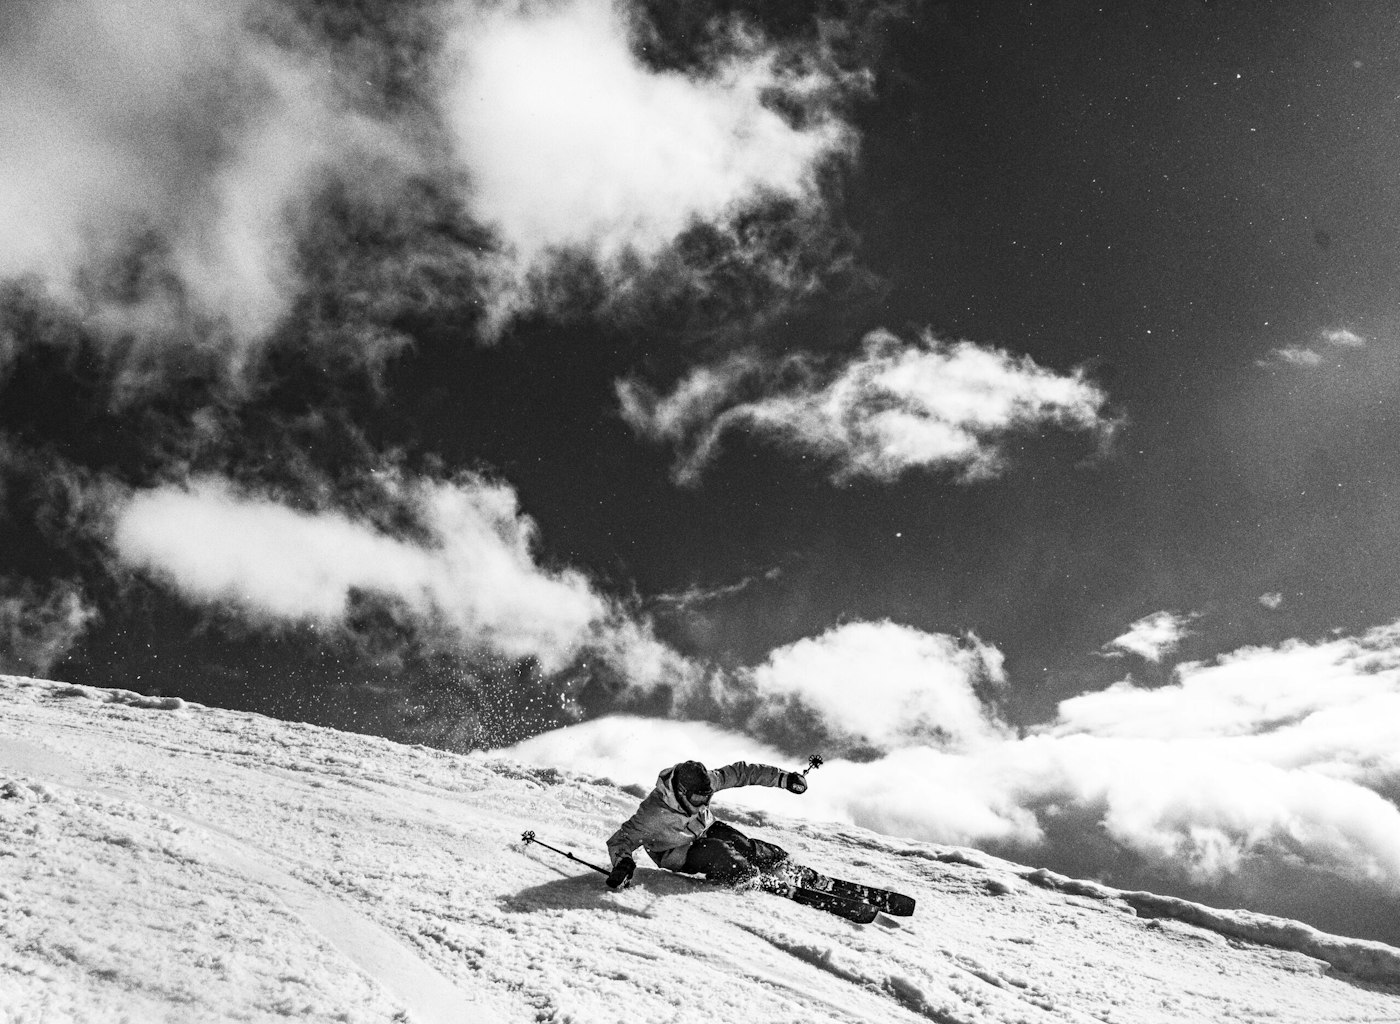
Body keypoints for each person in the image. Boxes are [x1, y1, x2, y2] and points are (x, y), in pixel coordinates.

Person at [604, 759, 808, 890]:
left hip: (705, 828)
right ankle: (751, 877)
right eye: (697, 799)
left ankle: (783, 863)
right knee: (718, 852)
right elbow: (621, 839)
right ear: (682, 792)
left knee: (742, 844)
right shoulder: (653, 812)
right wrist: (623, 863)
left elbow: (742, 772)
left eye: (706, 797)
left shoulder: (707, 782)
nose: (702, 804)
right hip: (677, 851)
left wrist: (784, 778)